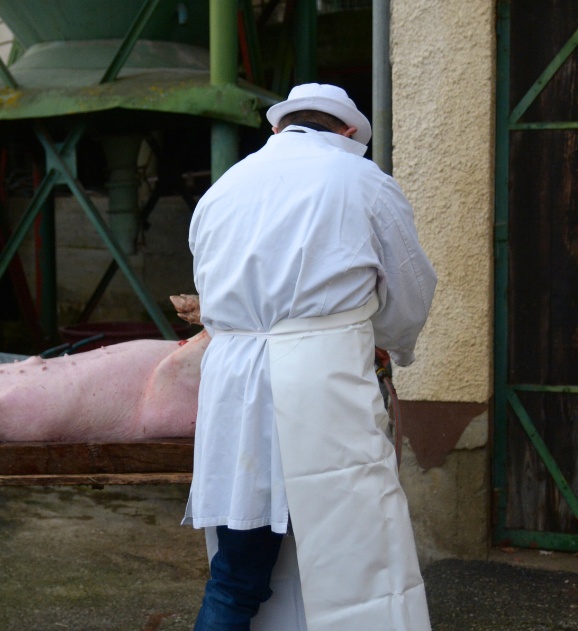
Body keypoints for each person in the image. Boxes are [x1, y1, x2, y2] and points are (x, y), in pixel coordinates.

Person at [185, 83, 437, 631]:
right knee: (359, 557)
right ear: (348, 133)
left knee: (237, 573)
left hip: (235, 387)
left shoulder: (222, 190)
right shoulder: (363, 181)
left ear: (278, 127)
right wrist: (394, 343)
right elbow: (411, 286)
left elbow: (209, 290)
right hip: (322, 380)